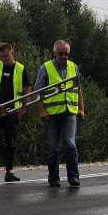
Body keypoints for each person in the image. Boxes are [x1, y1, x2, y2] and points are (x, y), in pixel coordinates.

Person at [36, 40, 85, 187]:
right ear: (54, 53)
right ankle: (53, 178)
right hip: (51, 115)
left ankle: (73, 177)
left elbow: (78, 90)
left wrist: (81, 109)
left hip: (70, 112)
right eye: (61, 54)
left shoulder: (74, 67)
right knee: (53, 148)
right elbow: (38, 93)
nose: (64, 57)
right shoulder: (45, 68)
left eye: (67, 54)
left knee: (70, 144)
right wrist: (42, 110)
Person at [0, 42, 30, 183]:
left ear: (12, 54)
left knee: (11, 142)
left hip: (13, 110)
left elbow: (27, 89)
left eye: (6, 56)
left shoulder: (20, 68)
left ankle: (9, 172)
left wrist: (23, 108)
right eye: (1, 56)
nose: (3, 59)